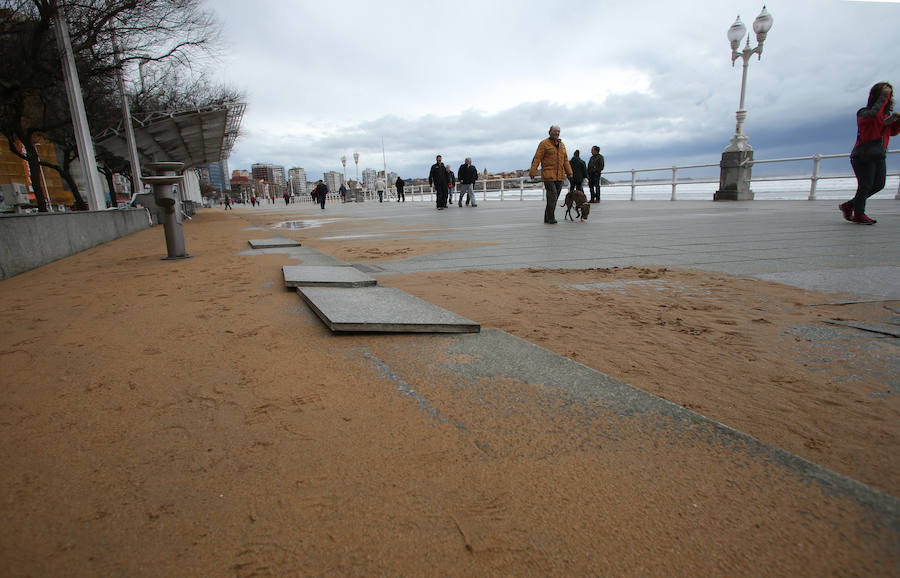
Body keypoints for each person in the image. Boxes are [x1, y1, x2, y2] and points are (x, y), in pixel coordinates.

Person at [841, 82, 900, 225]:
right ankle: (859, 214)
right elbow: (875, 117)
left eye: (889, 94)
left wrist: (897, 121)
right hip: (863, 154)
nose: (888, 97)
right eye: (885, 94)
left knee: (879, 184)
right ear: (878, 96)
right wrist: (884, 95)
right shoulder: (864, 113)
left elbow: (892, 132)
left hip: (878, 154)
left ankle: (850, 205)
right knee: (865, 185)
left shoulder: (885, 116)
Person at [529, 125, 573, 224]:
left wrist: (569, 172)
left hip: (560, 175)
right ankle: (551, 218)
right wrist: (533, 171)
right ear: (549, 132)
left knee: (554, 197)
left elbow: (565, 160)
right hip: (548, 175)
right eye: (555, 131)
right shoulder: (544, 144)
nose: (557, 133)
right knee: (552, 195)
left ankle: (547, 217)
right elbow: (537, 158)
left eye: (558, 131)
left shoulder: (562, 145)